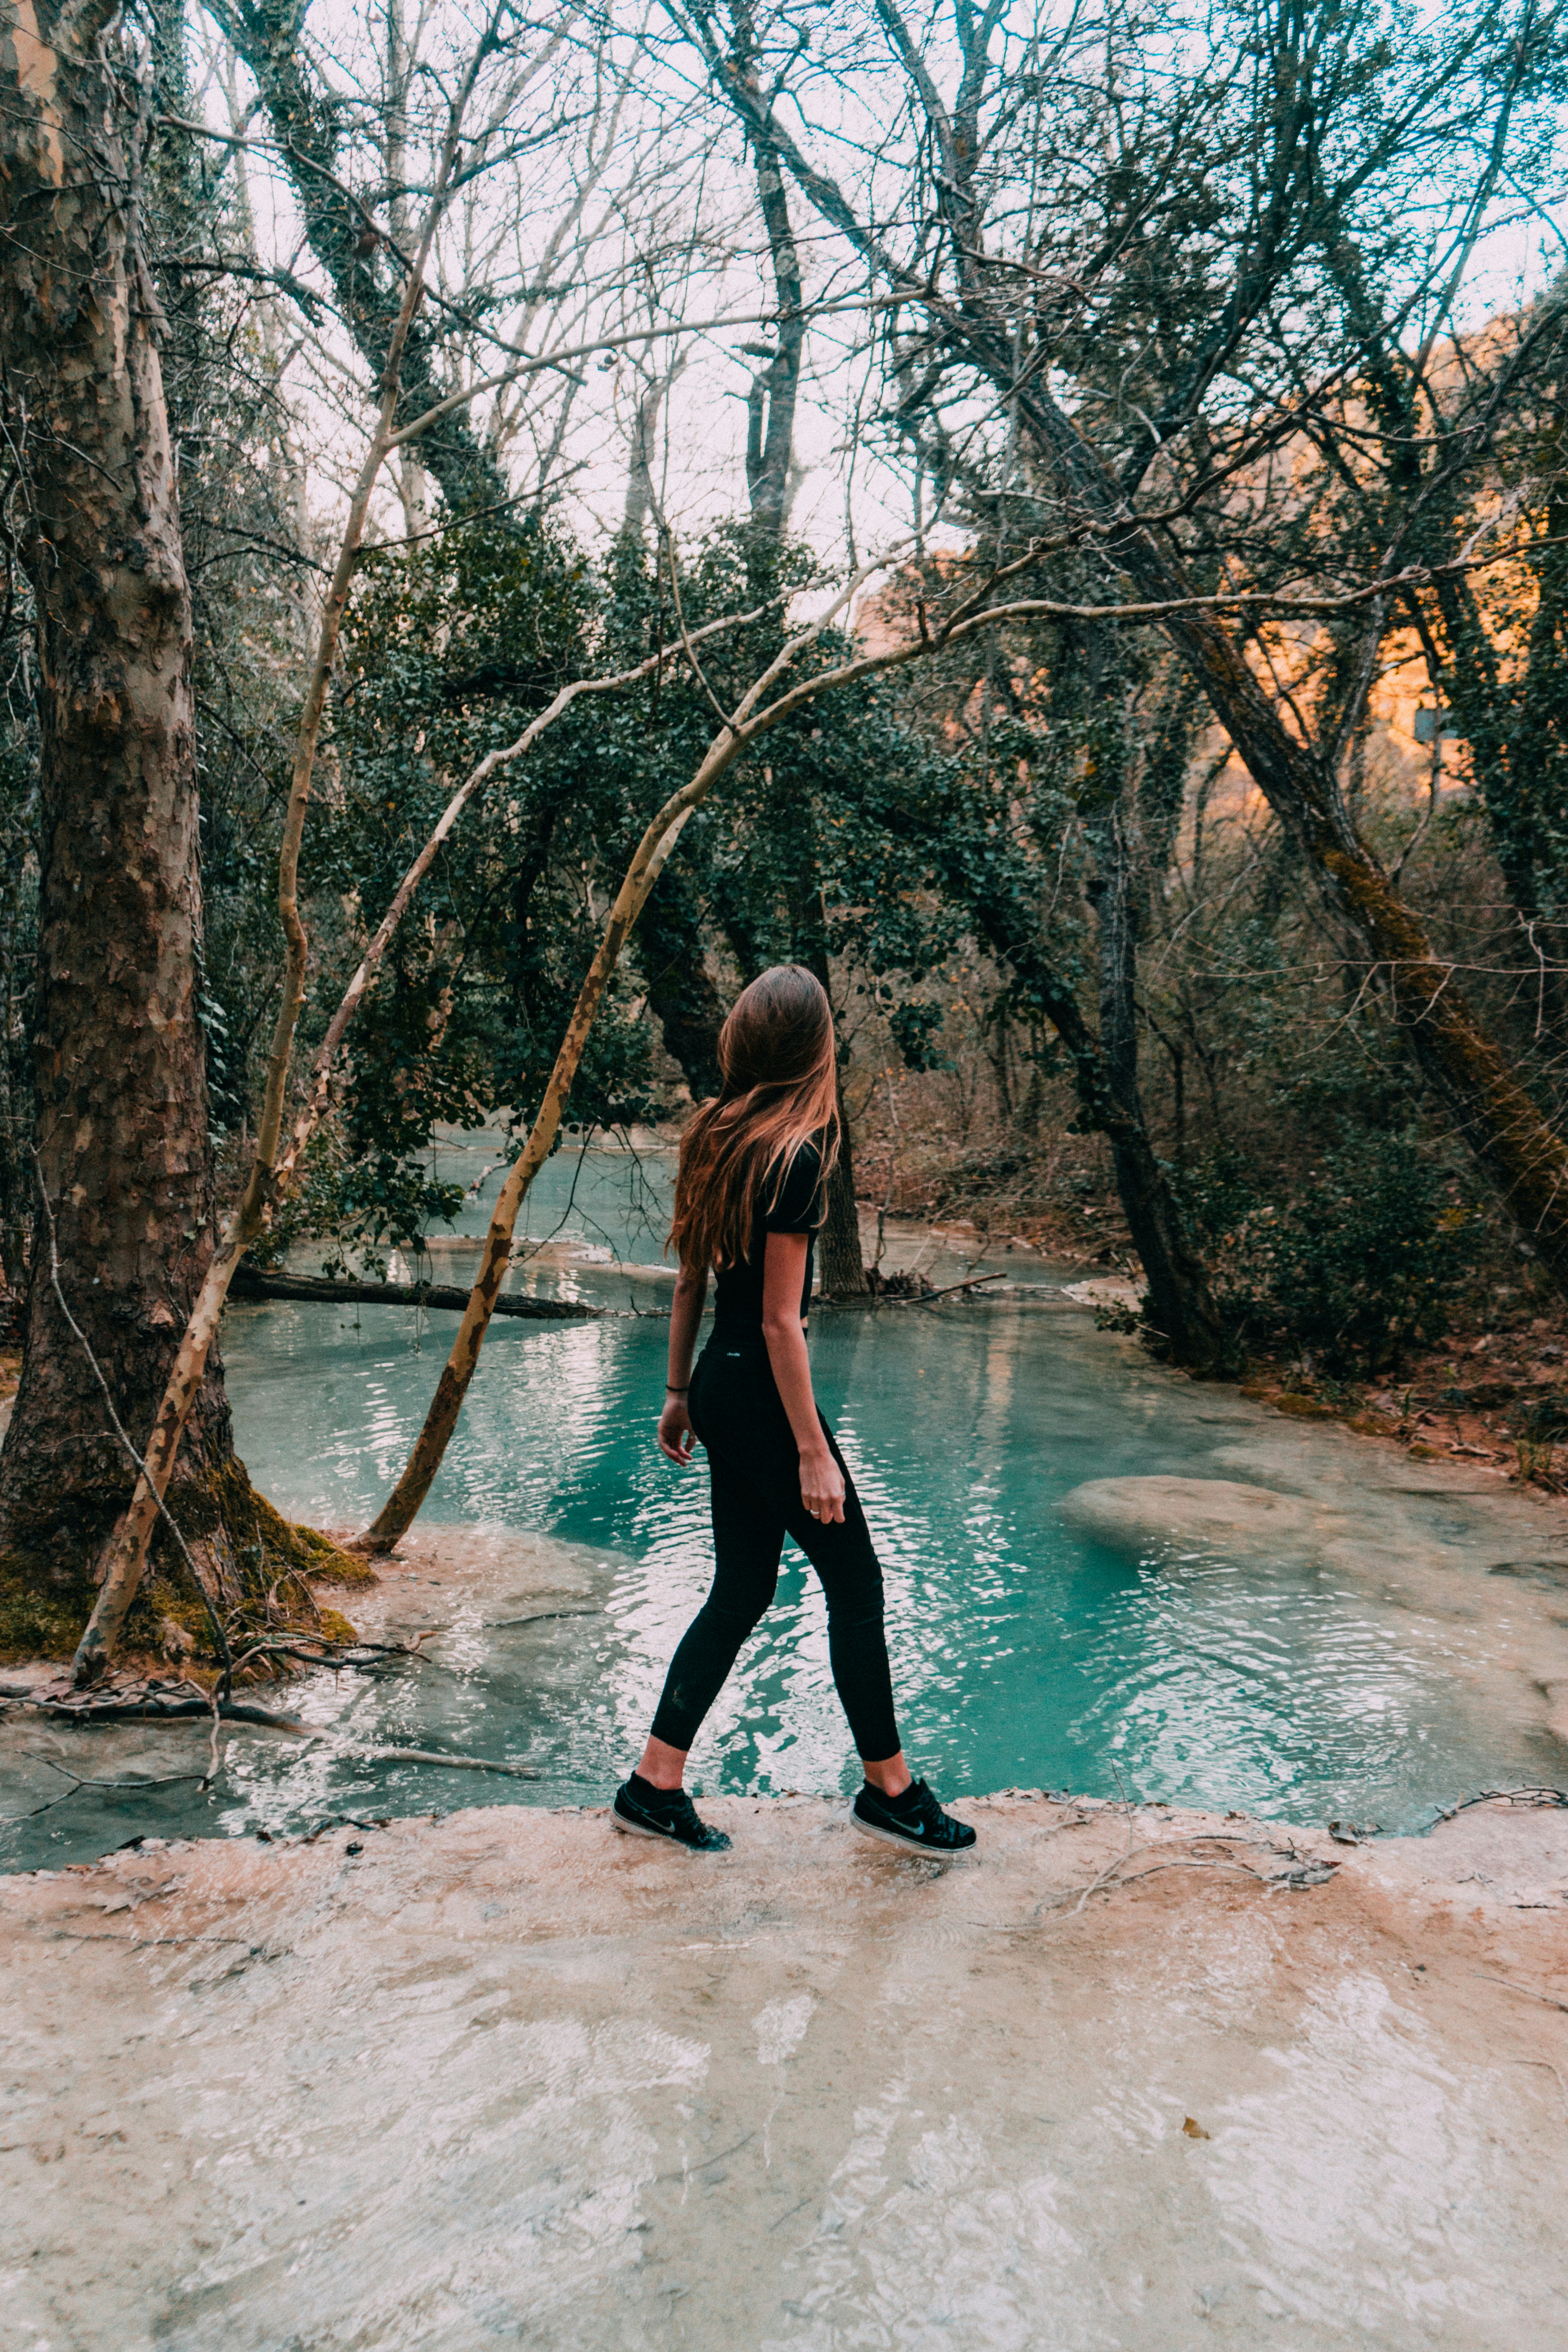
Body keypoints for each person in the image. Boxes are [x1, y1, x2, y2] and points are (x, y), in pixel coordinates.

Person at [613, 964, 976, 1857]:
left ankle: (654, 1783)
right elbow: (781, 1322)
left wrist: (677, 1394)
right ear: (816, 1050)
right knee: (856, 1584)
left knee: (744, 1587)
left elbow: (690, 1280)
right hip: (763, 1398)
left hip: (718, 1384)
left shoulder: (713, 1132)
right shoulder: (798, 1155)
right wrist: (813, 1451)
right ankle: (892, 1792)